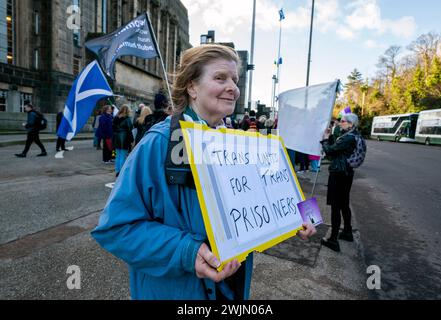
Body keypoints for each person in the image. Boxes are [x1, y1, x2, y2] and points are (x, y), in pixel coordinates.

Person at [91, 44, 316, 300]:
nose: (233, 87)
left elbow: (269, 197)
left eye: (235, 79)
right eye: (220, 78)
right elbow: (116, 228)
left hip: (231, 287)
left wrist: (303, 215)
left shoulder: (239, 144)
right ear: (192, 87)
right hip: (177, 292)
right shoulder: (160, 143)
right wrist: (186, 251)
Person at [320, 113, 359, 252]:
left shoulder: (348, 138)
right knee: (344, 203)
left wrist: (325, 140)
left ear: (350, 124)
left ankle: (333, 240)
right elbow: (337, 150)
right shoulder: (355, 136)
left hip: (338, 174)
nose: (340, 123)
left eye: (342, 121)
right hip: (347, 174)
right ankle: (347, 232)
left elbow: (330, 151)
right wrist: (330, 137)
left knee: (336, 206)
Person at [112, 105, 134, 177]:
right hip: (124, 138)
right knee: (123, 155)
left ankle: (117, 171)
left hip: (116, 138)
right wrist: (132, 140)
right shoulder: (127, 119)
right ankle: (121, 172)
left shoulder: (115, 118)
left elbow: (113, 128)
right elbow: (130, 130)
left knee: (118, 155)